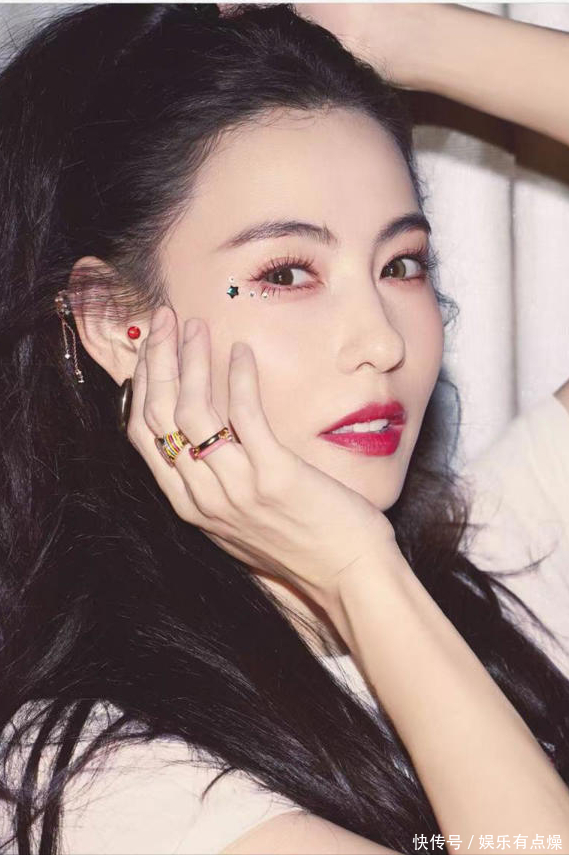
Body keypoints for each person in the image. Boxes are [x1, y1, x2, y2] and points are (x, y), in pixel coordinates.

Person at [0, 3, 568, 853]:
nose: (381, 341)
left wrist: (409, 35)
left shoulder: (501, 563)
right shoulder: (102, 778)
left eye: (400, 263)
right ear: (118, 321)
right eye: (287, 273)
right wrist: (357, 574)